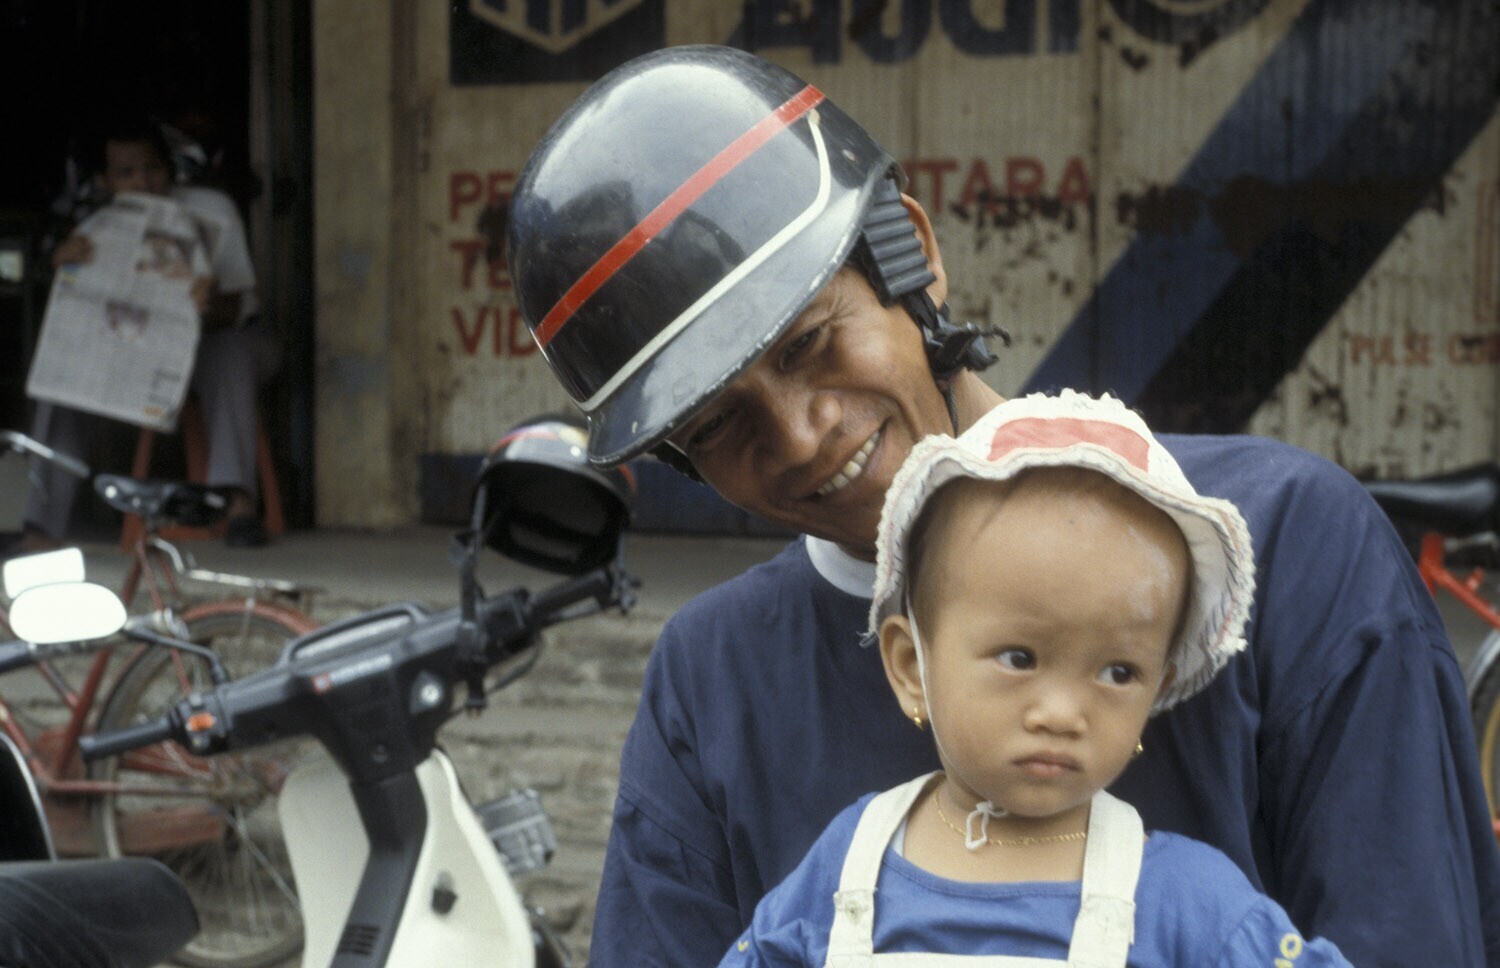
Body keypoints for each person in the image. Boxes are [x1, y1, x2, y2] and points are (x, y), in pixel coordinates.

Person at [505, 45, 1500, 967]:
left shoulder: (1293, 551)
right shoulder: (712, 681)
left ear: (911, 255)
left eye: (808, 342)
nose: (801, 436)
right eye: (718, 423)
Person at [718, 391, 1350, 965]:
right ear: (911, 667)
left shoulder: (1185, 901)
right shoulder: (848, 868)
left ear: (1157, 692)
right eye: (1019, 659)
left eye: (1118, 672)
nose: (1061, 713)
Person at [23, 113, 279, 549]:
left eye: (152, 168)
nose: (143, 182)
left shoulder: (210, 209)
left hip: (219, 342)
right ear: (104, 182)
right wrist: (65, 271)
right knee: (59, 382)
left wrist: (205, 301)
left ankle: (236, 503)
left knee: (230, 352)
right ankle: (41, 526)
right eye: (127, 173)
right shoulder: (95, 230)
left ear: (170, 169)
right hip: (138, 359)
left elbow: (236, 310)